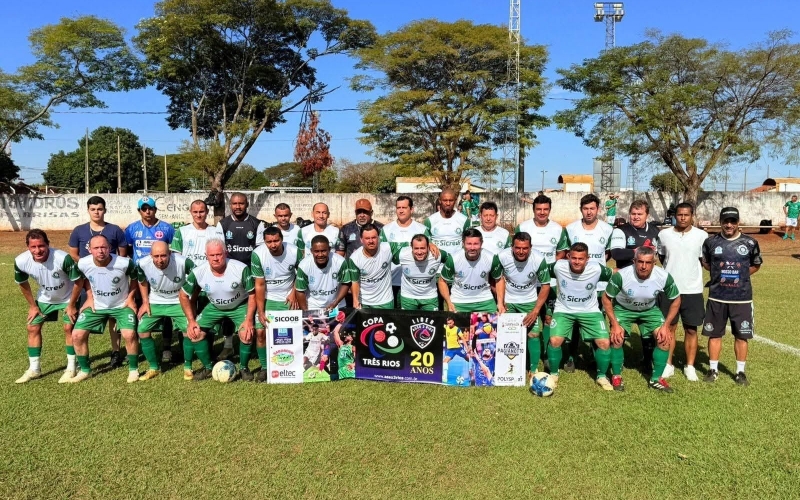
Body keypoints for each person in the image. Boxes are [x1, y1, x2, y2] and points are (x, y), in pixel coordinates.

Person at [603, 246, 680, 393]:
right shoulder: (622, 275)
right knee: (616, 338)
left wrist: (666, 326)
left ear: (654, 263)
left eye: (648, 262)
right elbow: (606, 299)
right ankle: (617, 376)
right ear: (634, 261)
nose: (643, 266)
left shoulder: (663, 276)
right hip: (623, 309)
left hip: (649, 310)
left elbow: (676, 300)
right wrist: (614, 324)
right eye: (640, 262)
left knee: (665, 340)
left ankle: (656, 379)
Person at [180, 238, 259, 381]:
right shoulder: (199, 272)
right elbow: (183, 295)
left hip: (239, 305)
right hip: (214, 307)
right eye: (212, 255)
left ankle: (244, 368)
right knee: (195, 333)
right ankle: (208, 367)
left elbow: (253, 294)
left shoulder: (240, 268)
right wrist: (191, 321)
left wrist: (248, 320)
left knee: (246, 334)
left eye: (219, 254)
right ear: (206, 256)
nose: (216, 258)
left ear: (226, 253)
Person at [701, 207, 762, 386]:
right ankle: (713, 370)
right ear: (720, 221)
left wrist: (740, 275)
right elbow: (705, 263)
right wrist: (721, 276)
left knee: (741, 336)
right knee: (714, 334)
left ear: (738, 222)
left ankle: (740, 372)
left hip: (741, 298)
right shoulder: (711, 243)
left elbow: (756, 264)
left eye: (732, 221)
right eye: (726, 221)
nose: (729, 225)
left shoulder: (750, 243)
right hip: (717, 297)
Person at [67, 235, 139, 383]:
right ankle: (85, 370)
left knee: (129, 334)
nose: (100, 251)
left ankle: (133, 370)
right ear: (90, 250)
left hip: (121, 305)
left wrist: (131, 298)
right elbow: (81, 280)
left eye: (103, 247)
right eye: (96, 248)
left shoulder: (124, 263)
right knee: (77, 335)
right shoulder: (82, 263)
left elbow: (136, 278)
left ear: (109, 248)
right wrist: (89, 296)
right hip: (97, 306)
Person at [68, 196, 128, 368]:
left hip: (111, 281)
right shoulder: (79, 231)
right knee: (84, 315)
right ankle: (81, 359)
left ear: (105, 210)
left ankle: (116, 352)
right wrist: (91, 268)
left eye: (99, 209)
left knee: (113, 316)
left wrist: (107, 269)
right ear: (88, 210)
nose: (96, 212)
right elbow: (73, 253)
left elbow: (122, 254)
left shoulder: (114, 230)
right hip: (86, 281)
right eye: (93, 209)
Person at [14, 230, 80, 383]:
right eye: (33, 247)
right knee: (32, 327)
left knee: (68, 327)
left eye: (41, 246)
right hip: (45, 298)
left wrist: (71, 305)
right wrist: (32, 306)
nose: (38, 250)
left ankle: (71, 368)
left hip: (67, 297)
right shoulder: (21, 261)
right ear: (28, 247)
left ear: (48, 244)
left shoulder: (62, 258)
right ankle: (34, 369)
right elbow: (22, 283)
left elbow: (78, 281)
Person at [547, 243, 614, 391]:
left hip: (590, 311)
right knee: (554, 340)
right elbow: (540, 270)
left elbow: (615, 273)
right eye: (574, 258)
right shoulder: (558, 266)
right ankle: (553, 374)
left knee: (604, 342)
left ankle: (601, 376)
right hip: (563, 310)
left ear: (587, 259)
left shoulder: (596, 269)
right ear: (568, 256)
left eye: (581, 259)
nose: (577, 262)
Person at [514, 194, 569, 368]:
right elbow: (515, 250)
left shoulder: (558, 229)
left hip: (549, 283)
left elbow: (561, 253)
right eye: (539, 209)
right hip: (527, 283)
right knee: (527, 318)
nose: (542, 212)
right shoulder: (523, 227)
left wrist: (547, 269)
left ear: (550, 210)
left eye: (545, 209)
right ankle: (522, 353)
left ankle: (546, 354)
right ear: (534, 210)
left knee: (547, 318)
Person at [609, 199, 661, 373]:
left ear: (647, 215)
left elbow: (658, 254)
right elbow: (616, 252)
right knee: (619, 325)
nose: (636, 217)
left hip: (647, 282)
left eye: (640, 214)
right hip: (625, 283)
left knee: (646, 327)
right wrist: (640, 250)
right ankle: (617, 362)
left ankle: (647, 361)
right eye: (633, 214)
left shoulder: (654, 231)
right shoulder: (621, 230)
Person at [657, 202, 708, 381]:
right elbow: (663, 258)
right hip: (669, 290)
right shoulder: (664, 235)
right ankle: (668, 365)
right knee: (668, 327)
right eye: (680, 215)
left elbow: (703, 260)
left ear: (692, 215)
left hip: (692, 290)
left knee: (691, 329)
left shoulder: (702, 236)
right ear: (675, 216)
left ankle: (690, 366)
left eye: (687, 215)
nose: (683, 218)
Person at [564, 193, 614, 371]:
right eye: (585, 208)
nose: (589, 212)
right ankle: (570, 356)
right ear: (581, 210)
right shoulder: (571, 229)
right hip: (574, 283)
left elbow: (606, 254)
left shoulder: (607, 229)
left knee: (596, 320)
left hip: (598, 286)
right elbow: (566, 254)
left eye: (592, 208)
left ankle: (595, 356)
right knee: (574, 321)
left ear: (598, 209)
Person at [125, 196, 176, 363]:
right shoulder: (131, 229)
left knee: (166, 312)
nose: (148, 211)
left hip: (162, 276)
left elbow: (173, 252)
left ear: (155, 209)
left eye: (151, 208)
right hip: (139, 277)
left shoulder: (166, 228)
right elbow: (125, 251)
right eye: (144, 208)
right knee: (139, 309)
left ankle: (167, 346)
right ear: (139, 211)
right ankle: (138, 346)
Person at [495, 232, 551, 383]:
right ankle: (507, 368)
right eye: (517, 248)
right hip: (509, 301)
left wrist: (535, 311)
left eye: (525, 248)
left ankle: (533, 370)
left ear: (530, 248)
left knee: (533, 335)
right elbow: (495, 279)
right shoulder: (502, 256)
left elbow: (546, 286)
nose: (521, 251)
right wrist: (501, 301)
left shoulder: (539, 259)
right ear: (512, 247)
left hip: (529, 301)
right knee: (507, 335)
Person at [135, 241, 194, 381]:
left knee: (189, 331)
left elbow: (196, 278)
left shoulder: (183, 262)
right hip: (156, 301)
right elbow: (142, 280)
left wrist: (189, 298)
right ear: (150, 255)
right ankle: (154, 368)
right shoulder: (142, 263)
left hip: (178, 301)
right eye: (156, 256)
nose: (160, 260)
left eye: (163, 256)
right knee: (142, 330)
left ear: (170, 254)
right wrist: (145, 301)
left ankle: (188, 367)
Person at [251, 227, 303, 382]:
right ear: (264, 242)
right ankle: (265, 367)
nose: (273, 245)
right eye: (269, 242)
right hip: (268, 298)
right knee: (260, 333)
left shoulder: (294, 251)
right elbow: (259, 285)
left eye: (276, 241)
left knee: (293, 334)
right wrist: (260, 311)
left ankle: (293, 365)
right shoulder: (258, 254)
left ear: (282, 239)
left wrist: (294, 292)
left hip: (289, 298)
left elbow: (301, 274)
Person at [218, 192, 265, 360]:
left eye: (241, 203)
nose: (238, 206)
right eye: (235, 203)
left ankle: (250, 343)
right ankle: (228, 345)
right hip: (229, 275)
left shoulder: (257, 224)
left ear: (247, 205)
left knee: (250, 309)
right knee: (229, 308)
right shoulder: (223, 224)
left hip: (251, 275)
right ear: (230, 204)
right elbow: (220, 250)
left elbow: (259, 250)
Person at [439, 228, 503, 313]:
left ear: (481, 243)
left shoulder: (491, 258)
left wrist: (500, 303)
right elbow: (442, 281)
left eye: (476, 244)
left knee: (492, 325)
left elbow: (499, 280)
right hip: (459, 302)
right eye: (469, 244)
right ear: (463, 244)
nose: (472, 248)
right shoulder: (453, 259)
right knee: (454, 326)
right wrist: (449, 302)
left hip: (485, 301)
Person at [380, 195, 429, 305]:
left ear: (411, 209)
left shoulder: (422, 229)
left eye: (404, 207)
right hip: (393, 283)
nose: (401, 211)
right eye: (398, 208)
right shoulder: (386, 230)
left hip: (415, 284)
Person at [348, 223, 404, 309]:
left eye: (374, 237)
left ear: (378, 238)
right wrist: (355, 300)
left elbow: (413, 246)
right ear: (361, 240)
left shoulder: (388, 248)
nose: (371, 241)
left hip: (385, 301)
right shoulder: (354, 258)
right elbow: (354, 281)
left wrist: (429, 244)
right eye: (367, 238)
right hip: (364, 303)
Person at [295, 236, 352, 311]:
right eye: (317, 251)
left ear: (329, 249)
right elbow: (300, 291)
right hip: (313, 307)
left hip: (337, 305)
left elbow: (346, 283)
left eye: (323, 251)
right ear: (311, 251)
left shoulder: (340, 261)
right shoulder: (304, 265)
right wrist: (306, 312)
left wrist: (336, 302)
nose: (320, 254)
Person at [393, 234, 447, 311]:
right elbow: (391, 260)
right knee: (406, 323)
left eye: (422, 248)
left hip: (430, 297)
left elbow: (450, 261)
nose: (419, 252)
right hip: (408, 297)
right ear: (411, 247)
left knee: (431, 322)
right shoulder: (402, 254)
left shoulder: (437, 254)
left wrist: (445, 276)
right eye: (416, 248)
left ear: (428, 247)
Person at [170, 200, 224, 265]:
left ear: (207, 211)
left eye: (201, 212)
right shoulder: (181, 231)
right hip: (188, 274)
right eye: (195, 212)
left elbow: (221, 256)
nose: (198, 215)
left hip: (208, 273)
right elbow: (176, 257)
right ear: (190, 212)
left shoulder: (216, 232)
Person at [424, 188, 470, 253]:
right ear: (440, 201)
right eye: (445, 200)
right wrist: (429, 243)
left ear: (455, 201)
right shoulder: (430, 220)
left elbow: (469, 240)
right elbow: (425, 240)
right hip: (437, 261)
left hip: (456, 261)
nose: (448, 203)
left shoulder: (464, 220)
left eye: (451, 200)